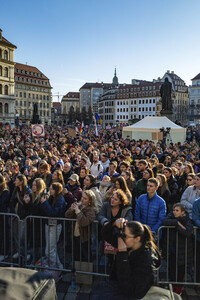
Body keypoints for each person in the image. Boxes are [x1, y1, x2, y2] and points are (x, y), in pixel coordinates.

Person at [91, 220, 161, 300]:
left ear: (137, 239)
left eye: (125, 236)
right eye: (122, 234)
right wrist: (114, 222)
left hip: (130, 295)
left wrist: (123, 255)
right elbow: (105, 234)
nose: (121, 238)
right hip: (117, 287)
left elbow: (133, 291)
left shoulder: (146, 259)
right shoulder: (128, 244)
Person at [163, 203, 193, 295]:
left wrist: (177, 227)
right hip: (172, 250)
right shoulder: (172, 217)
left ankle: (178, 291)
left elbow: (187, 232)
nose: (174, 212)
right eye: (174, 210)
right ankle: (172, 290)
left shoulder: (187, 220)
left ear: (182, 212)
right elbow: (164, 221)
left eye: (177, 210)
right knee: (171, 270)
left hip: (183, 251)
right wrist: (177, 223)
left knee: (181, 272)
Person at [65, 190, 97, 261]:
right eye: (82, 197)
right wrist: (72, 208)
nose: (82, 199)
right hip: (75, 234)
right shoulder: (79, 205)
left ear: (90, 201)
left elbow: (84, 222)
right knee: (76, 255)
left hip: (84, 237)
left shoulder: (91, 210)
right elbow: (67, 215)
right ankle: (77, 270)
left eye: (85, 198)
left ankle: (85, 271)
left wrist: (77, 211)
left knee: (85, 256)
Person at [40, 182, 66, 268]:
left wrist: (44, 203)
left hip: (55, 226)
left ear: (56, 190)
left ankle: (57, 267)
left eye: (52, 189)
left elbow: (53, 213)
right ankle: (57, 267)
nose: (50, 191)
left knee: (50, 250)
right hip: (49, 224)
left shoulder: (60, 200)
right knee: (50, 249)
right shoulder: (52, 198)